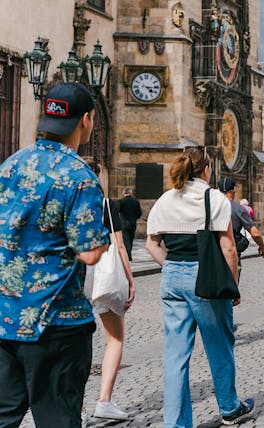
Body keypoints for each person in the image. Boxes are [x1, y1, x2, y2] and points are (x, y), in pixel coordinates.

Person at [0, 82, 109, 427]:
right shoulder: (80, 176)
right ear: (87, 121)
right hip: (55, 321)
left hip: (5, 317)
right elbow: (90, 253)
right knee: (58, 419)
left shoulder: (11, 165)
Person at [145, 146, 253, 426]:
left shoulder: (165, 199)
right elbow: (228, 247)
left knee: (176, 355)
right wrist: (233, 285)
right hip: (205, 277)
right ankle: (229, 408)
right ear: (206, 169)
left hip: (172, 278)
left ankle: (176, 423)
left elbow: (151, 244)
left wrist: (170, 266)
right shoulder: (213, 197)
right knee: (219, 345)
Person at [82, 158, 136, 422]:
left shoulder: (69, 201)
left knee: (78, 343)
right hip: (103, 275)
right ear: (99, 176)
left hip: (76, 275)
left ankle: (77, 410)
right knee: (114, 337)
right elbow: (120, 245)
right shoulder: (106, 205)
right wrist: (130, 278)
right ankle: (104, 401)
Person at [218, 177, 264, 270]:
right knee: (232, 283)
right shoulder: (239, 209)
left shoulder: (211, 206)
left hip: (213, 253)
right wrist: (262, 247)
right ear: (234, 189)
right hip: (232, 253)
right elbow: (255, 233)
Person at [118, 188, 142, 262]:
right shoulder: (136, 201)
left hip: (124, 223)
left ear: (124, 193)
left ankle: (128, 256)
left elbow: (118, 211)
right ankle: (129, 254)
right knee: (131, 239)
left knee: (126, 240)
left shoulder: (121, 201)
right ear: (130, 193)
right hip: (133, 223)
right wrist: (134, 218)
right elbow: (139, 213)